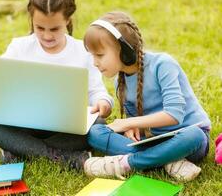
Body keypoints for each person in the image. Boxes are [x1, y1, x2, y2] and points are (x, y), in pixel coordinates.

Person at [0, 0, 114, 170]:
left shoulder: (83, 51)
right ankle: (64, 157)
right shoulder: (19, 48)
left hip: (67, 128)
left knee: (99, 126)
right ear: (31, 20)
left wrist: (104, 103)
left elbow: (98, 92)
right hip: (25, 123)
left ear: (68, 20)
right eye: (40, 28)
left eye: (55, 28)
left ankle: (19, 150)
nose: (47, 35)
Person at [82, 11, 211, 181]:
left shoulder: (163, 64)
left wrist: (128, 122)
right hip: (155, 141)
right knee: (95, 132)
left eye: (99, 55)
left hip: (189, 139)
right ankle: (168, 160)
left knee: (195, 135)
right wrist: (130, 129)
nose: (95, 62)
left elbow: (174, 115)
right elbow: (137, 127)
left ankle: (126, 163)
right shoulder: (120, 82)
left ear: (124, 51)